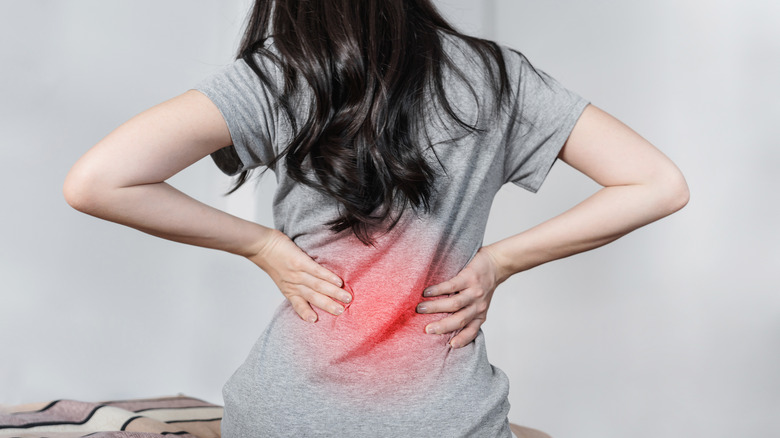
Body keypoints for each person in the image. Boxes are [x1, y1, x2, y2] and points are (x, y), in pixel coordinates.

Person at [63, 0, 689, 436]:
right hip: (445, 420)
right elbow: (657, 183)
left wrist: (261, 246)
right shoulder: (498, 77)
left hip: (283, 417)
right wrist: (499, 261)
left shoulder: (283, 74)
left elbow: (98, 181)